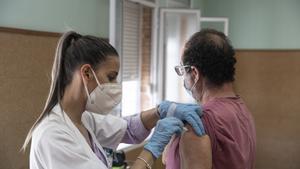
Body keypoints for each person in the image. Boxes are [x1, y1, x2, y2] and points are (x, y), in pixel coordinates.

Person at [21, 31, 205, 169]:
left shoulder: (82, 119)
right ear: (86, 73)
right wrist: (152, 149)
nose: (115, 85)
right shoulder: (53, 135)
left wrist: (161, 111)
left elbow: (129, 129)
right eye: (111, 77)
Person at [162, 29, 256, 169]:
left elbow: (167, 159)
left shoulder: (198, 122)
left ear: (194, 73)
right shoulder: (243, 111)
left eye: (182, 70)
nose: (183, 78)